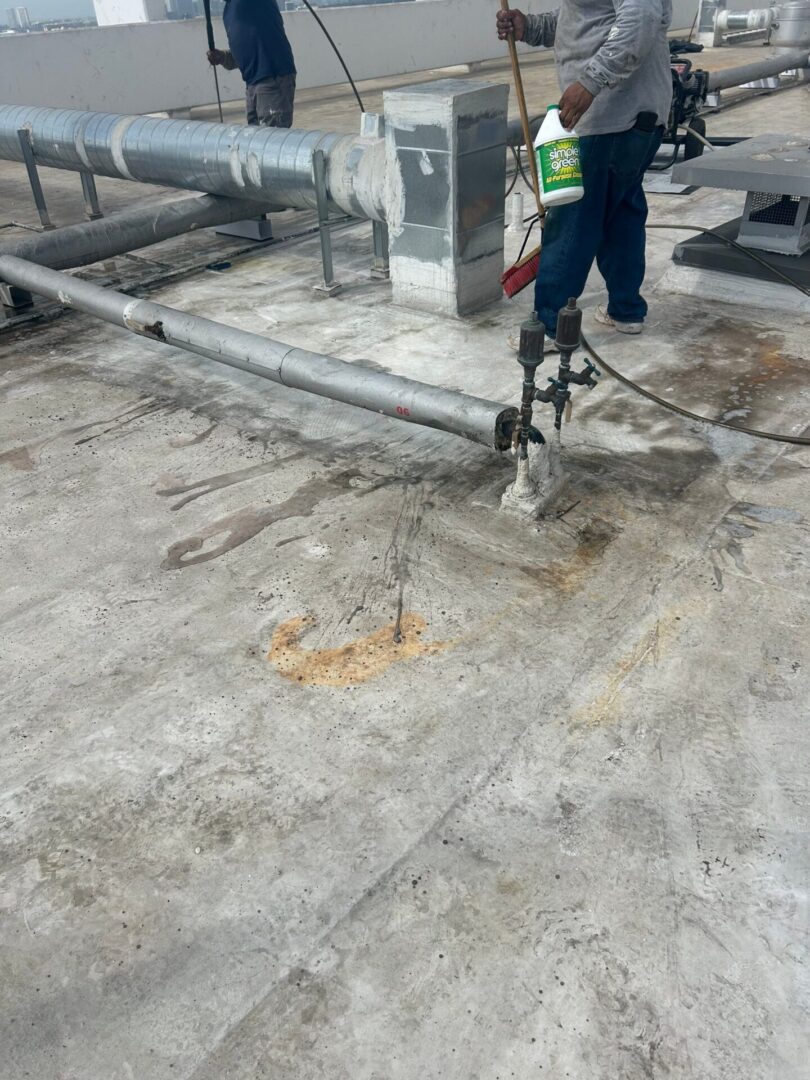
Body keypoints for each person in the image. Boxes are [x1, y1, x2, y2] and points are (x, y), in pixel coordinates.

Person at [497, 1, 672, 337]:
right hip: (636, 118)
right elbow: (585, 18)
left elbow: (641, 17)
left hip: (608, 118)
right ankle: (626, 309)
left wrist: (591, 82)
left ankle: (549, 327)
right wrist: (529, 27)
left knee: (573, 221)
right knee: (621, 214)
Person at [208, 0, 297, 128]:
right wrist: (222, 57)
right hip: (253, 84)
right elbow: (243, 54)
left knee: (271, 140)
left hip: (272, 76)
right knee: (256, 141)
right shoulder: (229, 11)